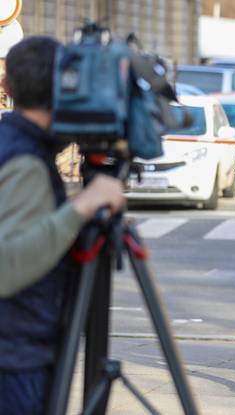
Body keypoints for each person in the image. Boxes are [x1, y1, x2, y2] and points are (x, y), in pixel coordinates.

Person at [0, 36, 126, 414]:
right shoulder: (24, 162)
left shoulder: (13, 144)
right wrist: (83, 206)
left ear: (6, 87)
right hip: (15, 359)